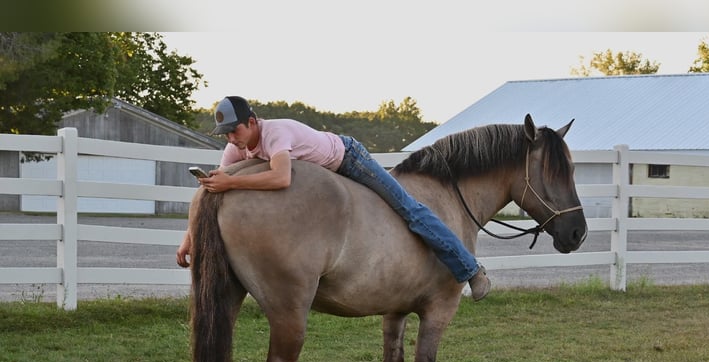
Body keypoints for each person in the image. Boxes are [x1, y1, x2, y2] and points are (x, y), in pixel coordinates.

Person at [176, 96, 490, 301]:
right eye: (227, 134)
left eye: (236, 131)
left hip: (350, 159)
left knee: (407, 208)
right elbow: (213, 189)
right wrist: (189, 238)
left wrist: (231, 181)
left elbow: (281, 177)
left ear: (253, 122)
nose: (232, 139)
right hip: (324, 172)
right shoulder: (236, 149)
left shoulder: (275, 134)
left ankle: (469, 268)